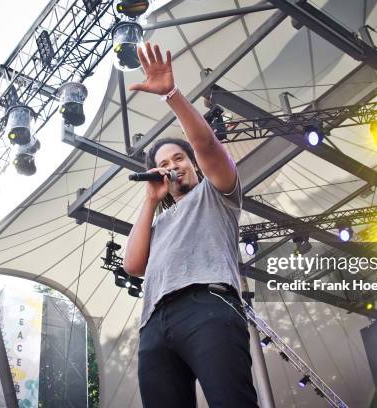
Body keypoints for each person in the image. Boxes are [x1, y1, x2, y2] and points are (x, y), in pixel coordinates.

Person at [123, 42, 259, 408]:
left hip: (208, 304)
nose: (172, 165)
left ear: (194, 164)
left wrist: (171, 93)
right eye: (163, 161)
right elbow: (132, 266)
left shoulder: (217, 193)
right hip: (154, 323)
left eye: (179, 157)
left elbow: (208, 145)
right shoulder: (159, 219)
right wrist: (150, 200)